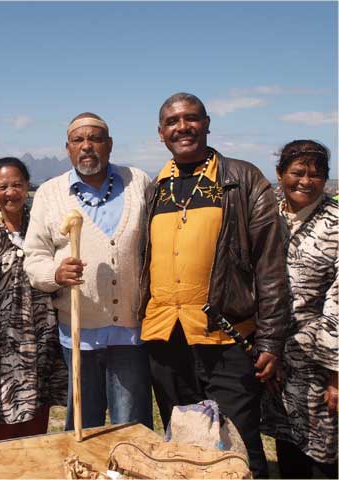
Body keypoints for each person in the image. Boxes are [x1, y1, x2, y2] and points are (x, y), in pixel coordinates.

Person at [139, 92, 288, 478]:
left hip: (225, 336)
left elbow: (270, 266)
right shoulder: (157, 187)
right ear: (161, 133)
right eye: (172, 122)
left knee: (237, 441)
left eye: (191, 118)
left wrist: (270, 340)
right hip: (166, 336)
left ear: (207, 123)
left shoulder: (240, 179)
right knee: (184, 440)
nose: (182, 127)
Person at [24, 113, 153, 431]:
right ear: (67, 148)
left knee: (130, 423)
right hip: (79, 331)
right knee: (84, 422)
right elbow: (34, 259)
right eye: (79, 140)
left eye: (95, 138)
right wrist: (55, 274)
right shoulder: (50, 194)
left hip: (131, 329)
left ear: (108, 145)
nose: (87, 146)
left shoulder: (138, 181)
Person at [0, 157, 67, 443]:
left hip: (43, 336)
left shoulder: (39, 225)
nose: (11, 192)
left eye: (17, 185)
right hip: (3, 342)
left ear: (27, 187)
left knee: (39, 411)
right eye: (3, 186)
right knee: (4, 417)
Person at [261, 140, 338, 478]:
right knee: (286, 440)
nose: (306, 181)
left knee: (322, 450)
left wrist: (336, 373)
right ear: (280, 175)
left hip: (320, 361)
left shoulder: (335, 223)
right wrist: (267, 348)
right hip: (273, 357)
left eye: (317, 174)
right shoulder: (265, 214)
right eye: (297, 172)